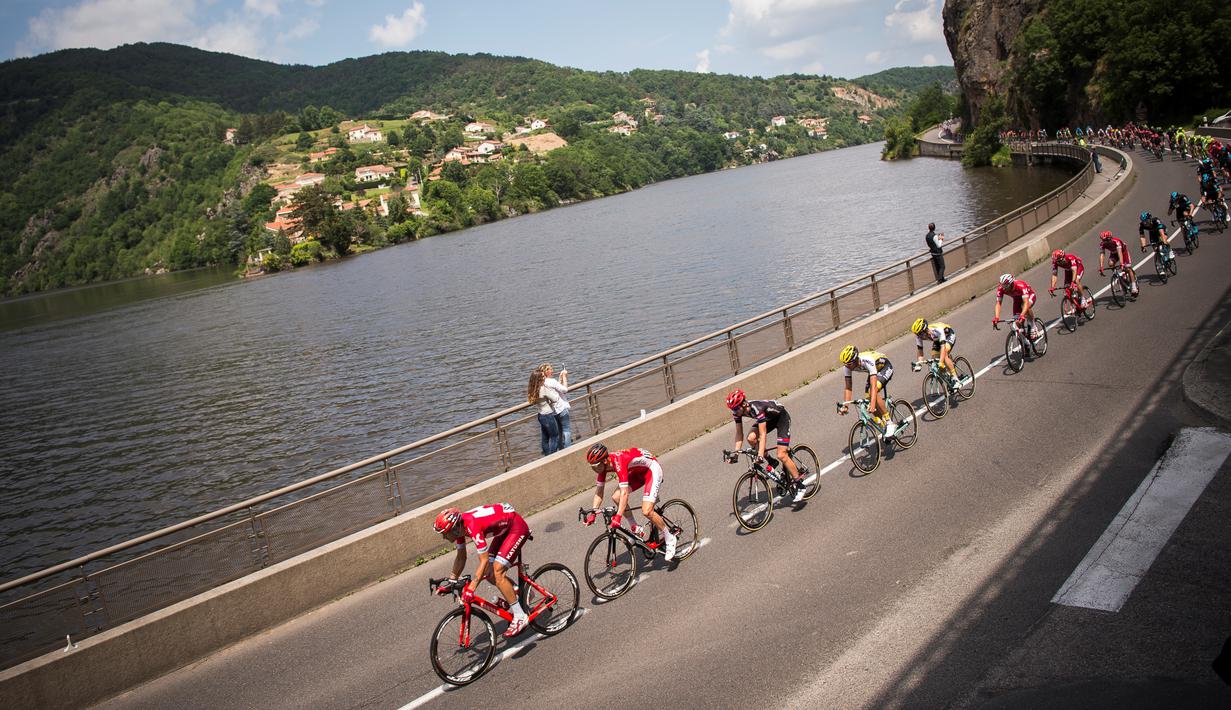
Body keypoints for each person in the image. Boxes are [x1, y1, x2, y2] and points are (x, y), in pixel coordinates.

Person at [433, 503, 532, 637]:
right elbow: (461, 558)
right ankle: (519, 593)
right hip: (503, 530)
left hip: (516, 528)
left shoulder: (471, 526)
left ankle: (520, 616)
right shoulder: (460, 529)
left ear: (455, 528)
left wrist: (471, 588)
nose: (444, 537)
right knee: (488, 573)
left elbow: (484, 561)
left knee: (497, 573)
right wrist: (452, 580)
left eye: (445, 533)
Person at [583, 443, 678, 560]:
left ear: (605, 461)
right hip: (637, 473)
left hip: (651, 470)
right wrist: (594, 512)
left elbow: (624, 493)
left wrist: (618, 517)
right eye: (592, 466)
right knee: (615, 497)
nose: (594, 469)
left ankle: (669, 537)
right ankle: (635, 527)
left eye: (596, 466)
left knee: (647, 511)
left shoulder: (618, 461)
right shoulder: (602, 468)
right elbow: (599, 492)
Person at [724, 389, 807, 503]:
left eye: (736, 408)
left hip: (781, 418)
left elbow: (763, 434)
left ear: (743, 404)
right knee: (751, 438)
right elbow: (739, 434)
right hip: (768, 420)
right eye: (732, 409)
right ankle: (771, 461)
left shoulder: (756, 409)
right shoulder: (737, 412)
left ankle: (800, 485)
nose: (735, 411)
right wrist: (736, 454)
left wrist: (760, 455)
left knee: (781, 454)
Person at [838, 345, 895, 438]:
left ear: (855, 360)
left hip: (885, 367)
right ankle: (882, 422)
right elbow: (848, 387)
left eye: (848, 364)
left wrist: (873, 405)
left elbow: (873, 387)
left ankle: (889, 422)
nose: (846, 366)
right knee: (868, 399)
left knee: (873, 391)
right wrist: (846, 405)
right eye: (845, 364)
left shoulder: (867, 360)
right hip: (874, 371)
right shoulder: (847, 366)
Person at [911, 317, 958, 384]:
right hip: (937, 339)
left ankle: (955, 378)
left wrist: (941, 361)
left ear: (925, 330)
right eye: (917, 334)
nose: (919, 336)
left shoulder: (937, 330)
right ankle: (948, 375)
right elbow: (920, 350)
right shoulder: (918, 336)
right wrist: (919, 363)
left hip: (948, 335)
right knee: (935, 359)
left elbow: (943, 347)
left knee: (943, 356)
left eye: (920, 333)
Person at [527, 366, 561, 456]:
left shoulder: (533, 390)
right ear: (538, 379)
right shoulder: (543, 389)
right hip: (548, 415)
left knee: (545, 438)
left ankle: (547, 455)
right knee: (555, 436)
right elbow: (555, 399)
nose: (544, 378)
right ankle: (553, 456)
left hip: (541, 415)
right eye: (542, 377)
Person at [993, 273, 1038, 338]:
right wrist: (996, 318)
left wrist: (1022, 315)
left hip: (1029, 296)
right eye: (1002, 285)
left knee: (1024, 307)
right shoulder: (1001, 289)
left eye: (1005, 286)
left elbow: (1026, 302)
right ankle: (1025, 342)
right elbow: (998, 303)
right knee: (1017, 322)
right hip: (1017, 300)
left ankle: (1033, 326)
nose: (1004, 288)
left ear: (1011, 284)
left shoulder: (1020, 285)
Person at [1097, 230, 1138, 297]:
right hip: (1114, 254)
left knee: (1127, 268)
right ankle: (1118, 276)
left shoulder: (1116, 242)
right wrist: (1101, 267)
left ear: (1109, 238)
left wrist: (1122, 264)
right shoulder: (1102, 244)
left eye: (1105, 240)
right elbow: (1102, 254)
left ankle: (1134, 286)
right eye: (1102, 240)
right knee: (1110, 264)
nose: (1104, 242)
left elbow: (1120, 253)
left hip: (1123, 253)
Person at [540, 363, 572, 449]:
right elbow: (564, 390)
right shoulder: (552, 381)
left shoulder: (542, 383)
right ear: (546, 371)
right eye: (550, 369)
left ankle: (561, 449)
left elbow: (556, 389)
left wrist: (560, 378)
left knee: (559, 431)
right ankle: (568, 448)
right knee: (566, 429)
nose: (552, 370)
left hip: (552, 411)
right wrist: (565, 377)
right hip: (561, 407)